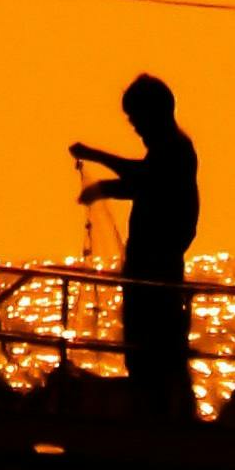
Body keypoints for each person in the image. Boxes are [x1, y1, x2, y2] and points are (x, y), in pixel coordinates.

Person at [72, 74, 199, 417]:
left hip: (158, 271)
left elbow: (145, 178)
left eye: (137, 120)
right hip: (145, 268)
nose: (136, 128)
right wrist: (105, 189)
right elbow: (142, 183)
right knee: (143, 351)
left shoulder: (176, 150)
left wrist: (95, 158)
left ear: (155, 113)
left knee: (157, 351)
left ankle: (164, 416)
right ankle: (155, 412)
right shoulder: (165, 153)